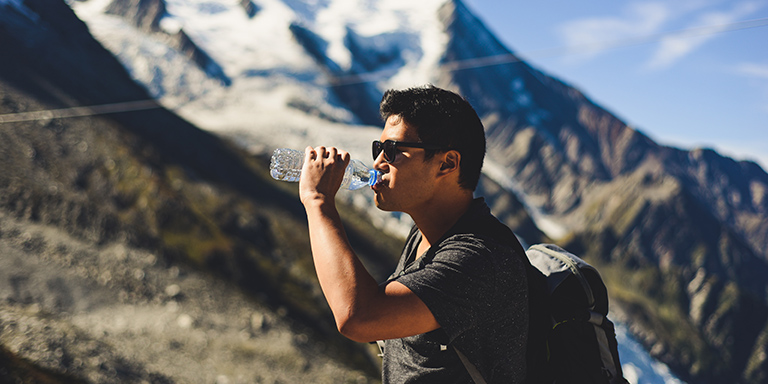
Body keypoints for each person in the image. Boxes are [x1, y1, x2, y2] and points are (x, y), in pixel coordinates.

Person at [299, 85, 531, 383]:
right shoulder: (426, 233)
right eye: (378, 148)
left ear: (447, 163)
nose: (378, 162)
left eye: (393, 150)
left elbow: (358, 316)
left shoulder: (479, 258)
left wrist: (318, 201)